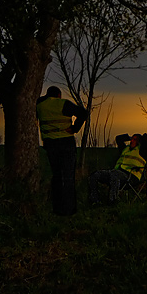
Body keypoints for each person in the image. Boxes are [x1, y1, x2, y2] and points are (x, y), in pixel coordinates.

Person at [36, 86, 88, 215]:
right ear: (59, 95)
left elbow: (40, 100)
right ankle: (70, 210)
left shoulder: (40, 104)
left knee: (57, 176)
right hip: (66, 142)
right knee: (69, 176)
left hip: (50, 144)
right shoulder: (63, 103)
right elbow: (83, 113)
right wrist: (75, 128)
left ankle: (57, 209)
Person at [88, 132, 147, 205]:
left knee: (115, 175)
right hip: (116, 172)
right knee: (95, 175)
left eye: (135, 140)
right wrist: (129, 137)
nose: (132, 141)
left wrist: (140, 138)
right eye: (132, 139)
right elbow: (118, 138)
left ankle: (112, 201)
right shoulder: (125, 149)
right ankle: (95, 200)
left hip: (131, 177)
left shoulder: (142, 151)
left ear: (139, 142)